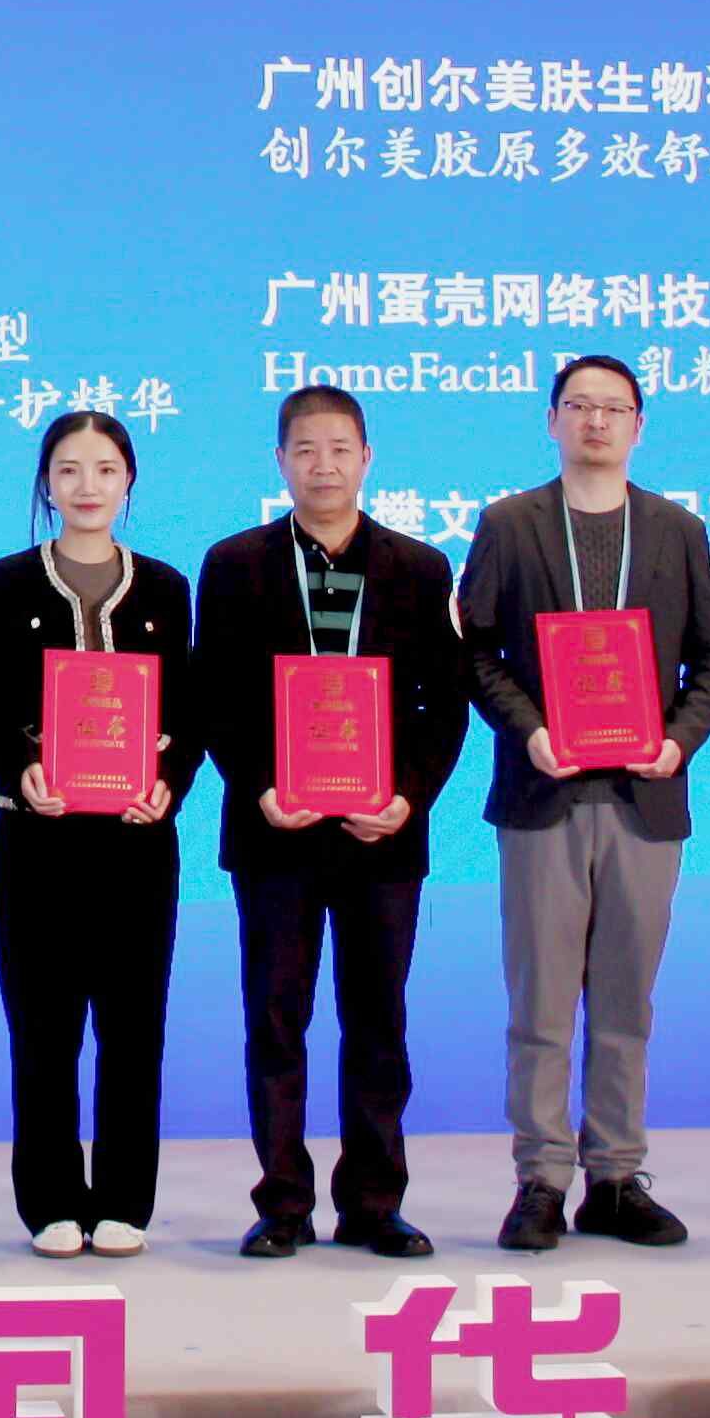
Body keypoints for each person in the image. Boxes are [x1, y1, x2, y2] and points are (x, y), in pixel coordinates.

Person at [459, 353, 710, 1255]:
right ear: (553, 421)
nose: (597, 422)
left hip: (644, 797)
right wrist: (528, 729)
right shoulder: (509, 523)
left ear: (639, 426)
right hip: (543, 792)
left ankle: (616, 1176)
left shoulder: (678, 530)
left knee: (626, 1001)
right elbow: (475, 651)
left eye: (614, 408)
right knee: (540, 1002)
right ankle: (540, 1177)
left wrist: (677, 741)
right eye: (579, 405)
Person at [192, 382, 465, 1260]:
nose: (323, 466)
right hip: (275, 831)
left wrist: (408, 797)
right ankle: (282, 1203)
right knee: (276, 1021)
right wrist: (260, 786)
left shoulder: (420, 568)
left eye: (340, 449)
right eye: (305, 450)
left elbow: (444, 703)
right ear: (280, 462)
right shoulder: (234, 564)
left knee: (378, 1021)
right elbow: (215, 697)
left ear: (367, 458)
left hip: (383, 835)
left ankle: (374, 1203)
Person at [0, 411, 193, 1258]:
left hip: (137, 840)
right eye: (68, 470)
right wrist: (16, 767)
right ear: (46, 484)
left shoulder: (165, 587)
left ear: (129, 481)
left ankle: (125, 1200)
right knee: (43, 1028)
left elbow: (189, 707)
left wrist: (170, 782)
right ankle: (51, 1201)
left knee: (134, 1027)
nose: (87, 486)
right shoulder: (5, 583)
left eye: (104, 469)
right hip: (37, 839)